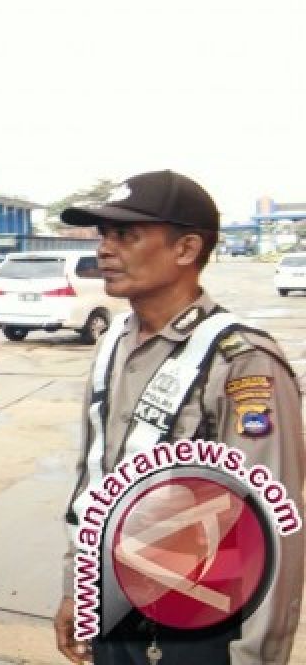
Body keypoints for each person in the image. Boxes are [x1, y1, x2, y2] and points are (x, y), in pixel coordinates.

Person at [52, 171, 304, 665]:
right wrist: (78, 590)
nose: (105, 249)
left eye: (125, 235)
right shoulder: (113, 344)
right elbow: (94, 481)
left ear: (186, 249)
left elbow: (273, 521)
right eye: (103, 234)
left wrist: (257, 657)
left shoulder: (240, 360)